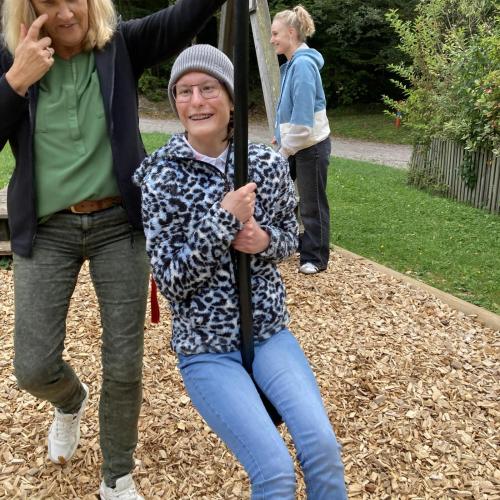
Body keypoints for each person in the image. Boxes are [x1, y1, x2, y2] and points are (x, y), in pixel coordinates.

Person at [0, 1, 225, 498]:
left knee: (124, 362)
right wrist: (15, 82)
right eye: (49, 1)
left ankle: (117, 476)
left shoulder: (118, 45)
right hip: (48, 229)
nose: (65, 13)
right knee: (32, 367)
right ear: (28, 7)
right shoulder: (13, 58)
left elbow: (182, 17)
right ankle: (70, 400)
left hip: (119, 226)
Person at [134, 44, 347, 499]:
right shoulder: (160, 177)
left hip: (268, 332)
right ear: (175, 102)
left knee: (323, 449)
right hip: (206, 348)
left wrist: (264, 241)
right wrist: (223, 221)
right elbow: (171, 281)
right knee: (274, 473)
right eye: (185, 91)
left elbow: (291, 237)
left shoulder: (265, 164)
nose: (196, 101)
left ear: (231, 99)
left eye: (208, 88)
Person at [271, 5, 332, 275]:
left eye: (275, 34)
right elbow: (290, 110)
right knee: (282, 196)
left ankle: (315, 257)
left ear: (291, 33)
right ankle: (291, 242)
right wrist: (280, 137)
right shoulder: (294, 64)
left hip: (310, 146)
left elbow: (304, 120)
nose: (272, 39)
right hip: (296, 145)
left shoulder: (304, 65)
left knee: (312, 203)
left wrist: (284, 150)